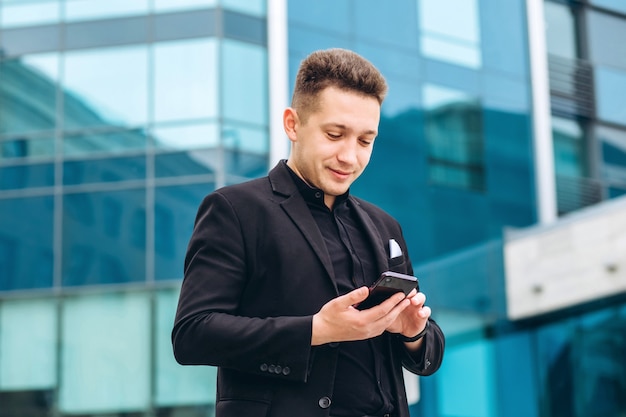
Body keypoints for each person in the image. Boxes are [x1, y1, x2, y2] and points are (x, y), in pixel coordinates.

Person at [172, 48, 445, 417]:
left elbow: (426, 357)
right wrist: (316, 329)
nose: (350, 156)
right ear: (293, 124)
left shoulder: (386, 227)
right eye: (335, 134)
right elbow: (192, 334)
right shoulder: (235, 210)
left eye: (365, 141)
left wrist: (412, 332)